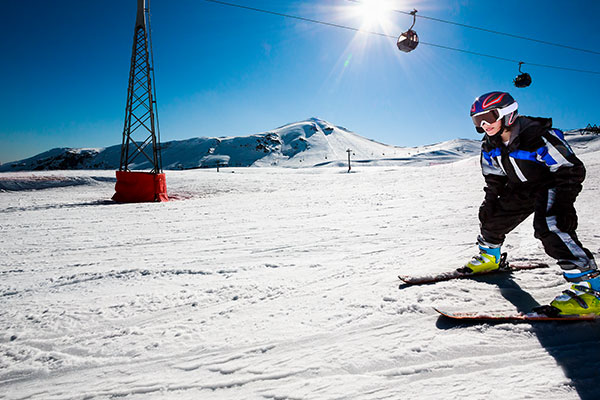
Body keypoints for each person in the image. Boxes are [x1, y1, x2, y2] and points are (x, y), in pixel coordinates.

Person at [467, 91, 599, 316]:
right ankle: (490, 257)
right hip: (521, 188)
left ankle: (591, 290)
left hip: (553, 183)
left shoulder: (537, 135)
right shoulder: (490, 144)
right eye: (477, 121)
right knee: (492, 216)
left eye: (488, 117)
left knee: (550, 226)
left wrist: (563, 201)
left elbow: (569, 167)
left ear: (508, 113)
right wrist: (490, 201)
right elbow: (494, 177)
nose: (484, 125)